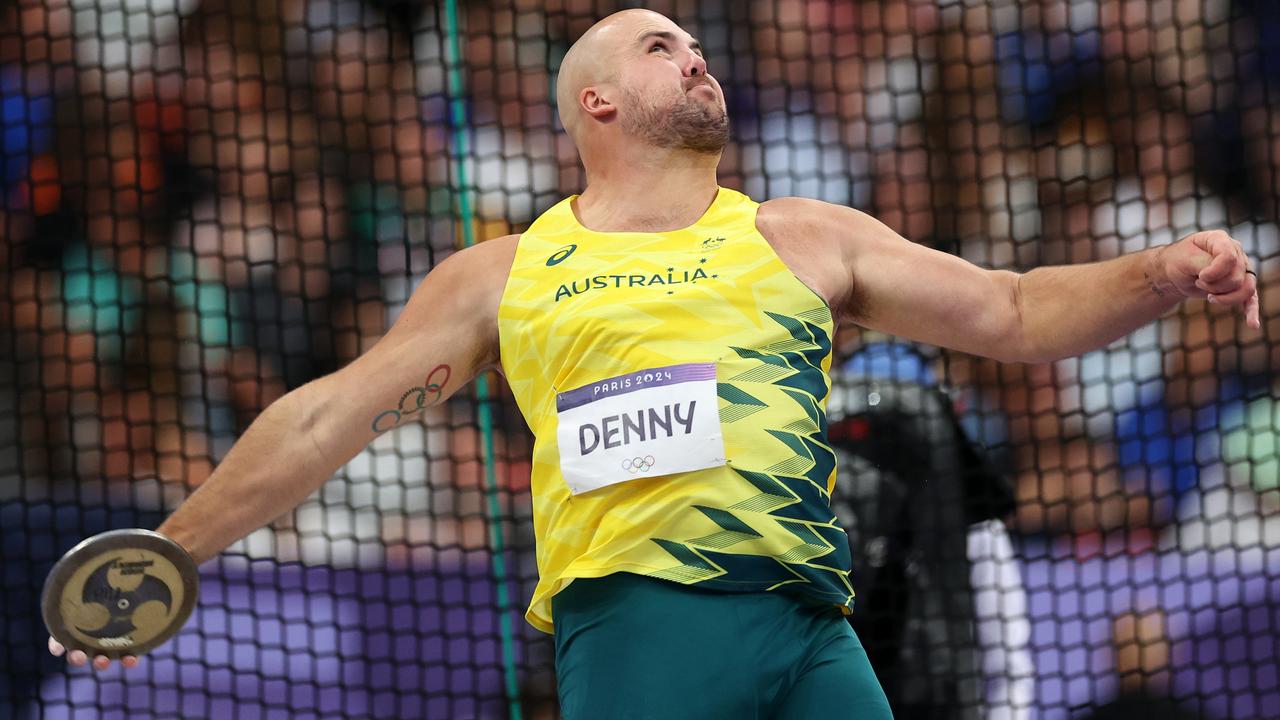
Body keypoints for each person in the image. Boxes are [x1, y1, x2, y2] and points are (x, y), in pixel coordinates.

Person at [50, 8, 1261, 718]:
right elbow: (326, 418)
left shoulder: (803, 235)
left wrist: (1158, 273)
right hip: (640, 625)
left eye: (691, 40)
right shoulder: (506, 271)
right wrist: (169, 555)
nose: (693, 54)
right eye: (658, 45)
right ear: (596, 105)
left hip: (811, 624)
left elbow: (1010, 310)